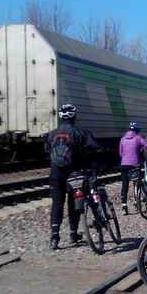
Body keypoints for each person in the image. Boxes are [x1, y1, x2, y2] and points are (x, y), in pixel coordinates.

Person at [45, 103, 102, 250]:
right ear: (74, 116)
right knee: (74, 204)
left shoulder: (52, 134)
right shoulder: (80, 132)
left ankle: (55, 238)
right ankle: (73, 234)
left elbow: (47, 150)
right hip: (74, 174)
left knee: (57, 204)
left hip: (56, 174)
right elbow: (96, 147)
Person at [119, 122, 147, 215]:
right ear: (137, 130)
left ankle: (124, 208)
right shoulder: (138, 138)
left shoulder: (122, 139)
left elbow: (120, 153)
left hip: (124, 165)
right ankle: (136, 202)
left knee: (124, 185)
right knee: (136, 182)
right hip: (135, 164)